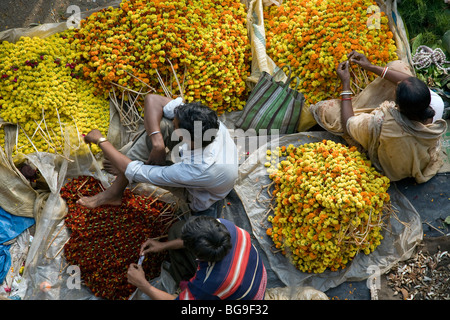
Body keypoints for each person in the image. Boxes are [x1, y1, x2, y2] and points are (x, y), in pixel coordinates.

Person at [77, 94, 239, 217]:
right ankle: (118, 183)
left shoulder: (199, 169)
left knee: (131, 166)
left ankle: (113, 192)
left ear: (185, 137)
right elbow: (153, 100)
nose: (173, 126)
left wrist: (101, 140)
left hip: (196, 192)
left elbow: (135, 171)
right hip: (197, 163)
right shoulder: (208, 123)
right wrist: (158, 144)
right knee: (161, 126)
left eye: (176, 127)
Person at [310, 51, 447, 183]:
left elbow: (348, 125)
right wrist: (370, 67)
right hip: (412, 148)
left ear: (397, 105)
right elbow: (408, 81)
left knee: (325, 110)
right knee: (398, 67)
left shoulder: (382, 122)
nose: (397, 85)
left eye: (396, 91)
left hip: (393, 162)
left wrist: (346, 84)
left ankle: (354, 105)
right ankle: (358, 101)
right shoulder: (436, 104)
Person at [126, 216, 267, 300]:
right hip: (251, 273)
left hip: (246, 296)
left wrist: (142, 284)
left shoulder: (211, 282)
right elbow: (191, 240)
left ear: (199, 256)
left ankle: (188, 290)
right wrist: (163, 246)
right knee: (177, 230)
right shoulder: (225, 226)